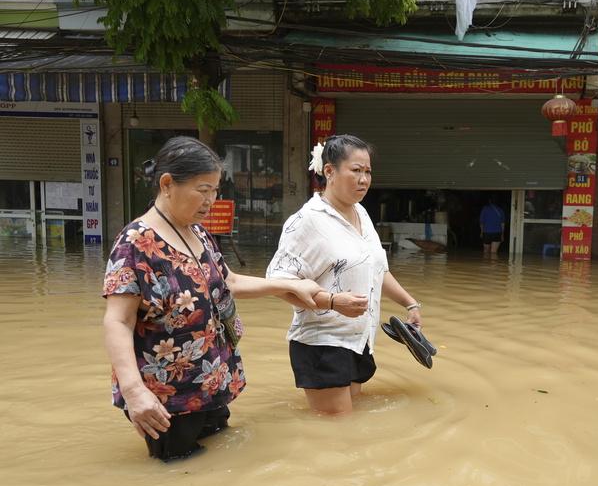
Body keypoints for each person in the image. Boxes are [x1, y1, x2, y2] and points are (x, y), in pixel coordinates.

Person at [102, 136, 333, 461]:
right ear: (167, 184)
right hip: (168, 398)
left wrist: (289, 287)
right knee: (176, 471)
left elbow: (229, 281)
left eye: (215, 190)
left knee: (217, 461)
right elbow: (118, 320)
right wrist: (134, 390)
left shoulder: (197, 232)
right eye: (202, 189)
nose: (211, 200)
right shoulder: (134, 244)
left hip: (211, 381)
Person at [266, 134, 424, 416]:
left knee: (348, 430)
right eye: (356, 170)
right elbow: (277, 283)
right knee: (336, 434)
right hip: (322, 344)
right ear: (329, 171)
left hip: (358, 340)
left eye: (368, 171)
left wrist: (410, 303)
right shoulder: (306, 222)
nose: (364, 179)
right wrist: (332, 302)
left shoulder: (361, 214)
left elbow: (377, 270)